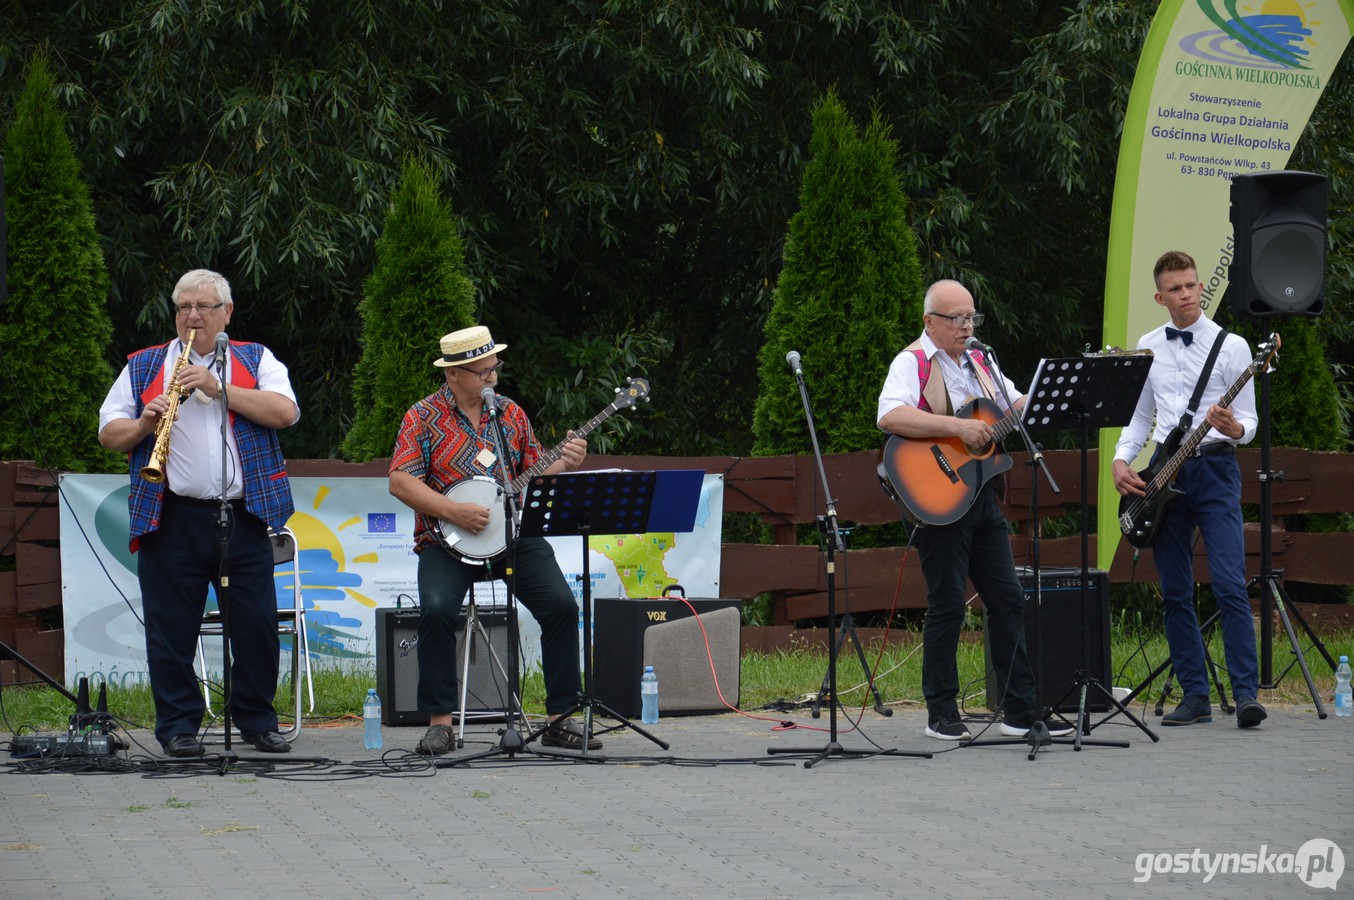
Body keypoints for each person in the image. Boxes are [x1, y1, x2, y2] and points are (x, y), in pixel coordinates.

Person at [98, 269, 300, 757]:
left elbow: (285, 413)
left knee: (254, 625)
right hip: (173, 517)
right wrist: (145, 419)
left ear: (225, 314)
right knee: (171, 630)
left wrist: (217, 386)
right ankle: (178, 727)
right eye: (184, 307)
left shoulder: (255, 358)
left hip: (244, 515)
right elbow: (109, 434)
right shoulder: (145, 365)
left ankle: (256, 720)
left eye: (203, 308)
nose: (192, 317)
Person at [388, 325, 598, 754]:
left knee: (561, 604)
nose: (491, 379)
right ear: (454, 374)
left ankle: (560, 717)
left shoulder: (510, 414)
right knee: (438, 610)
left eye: (493, 369)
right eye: (481, 372)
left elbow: (533, 471)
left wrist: (567, 459)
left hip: (513, 536)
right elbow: (400, 482)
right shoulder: (422, 416)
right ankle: (440, 724)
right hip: (445, 541)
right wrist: (453, 511)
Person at [877, 279, 1071, 741]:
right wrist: (957, 429)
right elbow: (889, 415)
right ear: (930, 321)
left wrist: (1042, 402)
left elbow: (1014, 404)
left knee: (1006, 599)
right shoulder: (913, 361)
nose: (967, 326)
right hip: (938, 496)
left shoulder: (982, 362)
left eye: (971, 317)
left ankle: (1021, 711)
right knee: (946, 604)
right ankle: (940, 712)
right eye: (956, 318)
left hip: (981, 495)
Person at [1112, 250, 1265, 729]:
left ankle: (1246, 696)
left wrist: (1234, 428)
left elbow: (1252, 420)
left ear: (1201, 287)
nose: (1186, 294)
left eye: (1192, 286)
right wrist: (1120, 458)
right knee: (1175, 589)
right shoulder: (1149, 344)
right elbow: (1141, 416)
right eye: (1175, 288)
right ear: (1160, 296)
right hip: (1164, 473)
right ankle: (1194, 695)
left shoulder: (1233, 346)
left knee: (1228, 583)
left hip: (1216, 471)